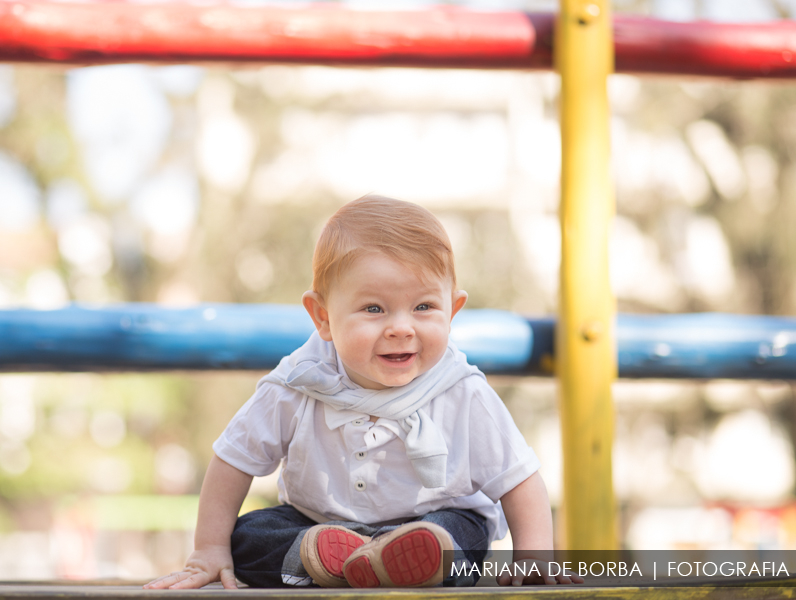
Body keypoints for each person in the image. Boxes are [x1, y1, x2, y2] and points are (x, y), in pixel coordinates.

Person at [145, 195, 581, 590]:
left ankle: (412, 555)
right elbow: (233, 459)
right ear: (324, 318)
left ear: (454, 309)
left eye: (424, 307)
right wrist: (209, 549)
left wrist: (533, 559)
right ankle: (324, 555)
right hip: (317, 522)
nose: (400, 327)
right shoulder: (300, 381)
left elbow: (519, 479)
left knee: (465, 529)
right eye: (373, 309)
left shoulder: (462, 392)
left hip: (430, 521)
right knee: (247, 536)